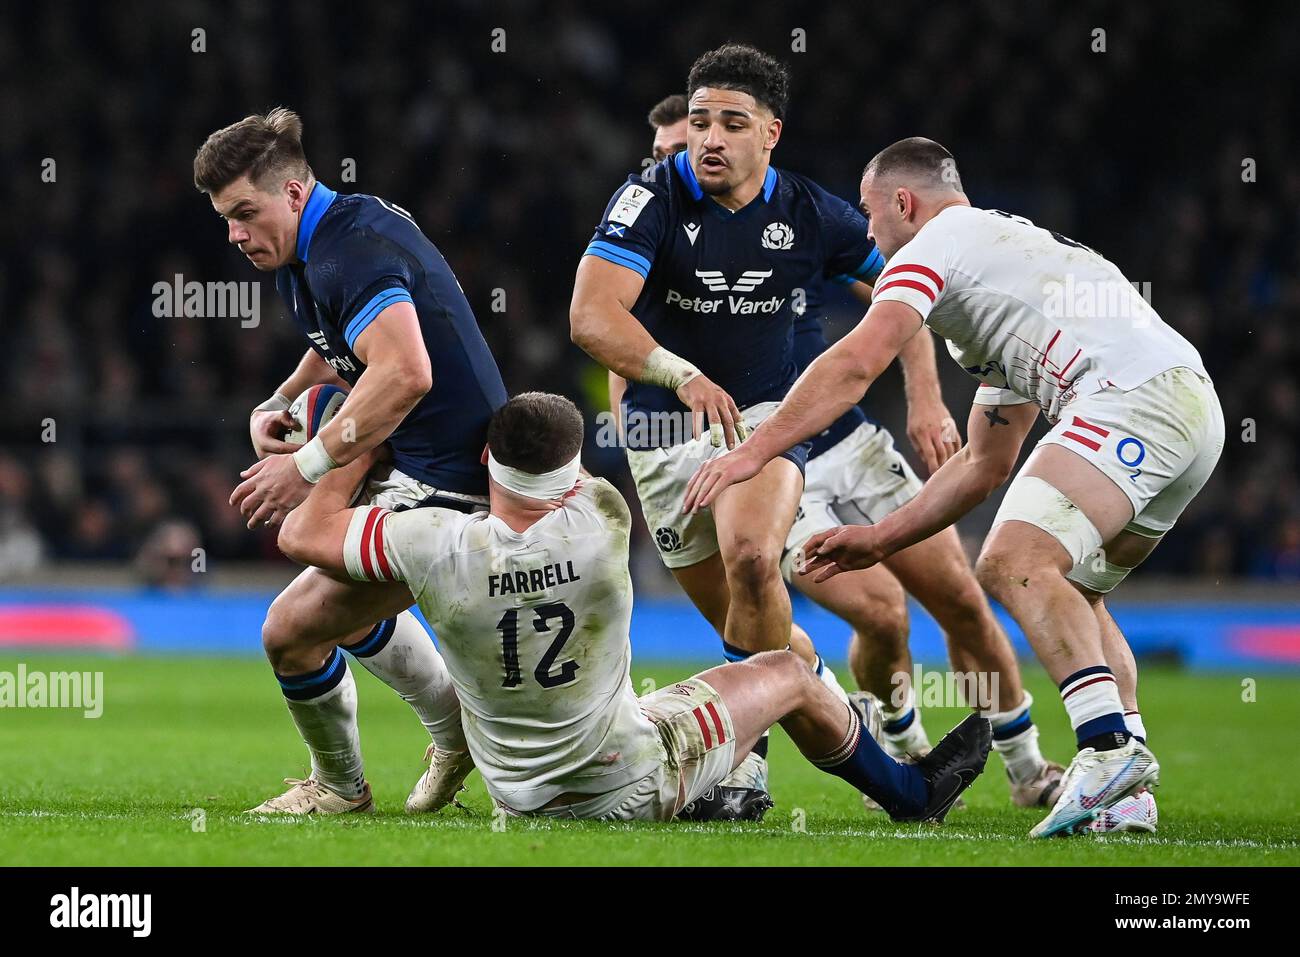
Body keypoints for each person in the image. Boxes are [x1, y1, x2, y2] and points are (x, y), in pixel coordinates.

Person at [685, 137, 1224, 836]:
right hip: (1190, 411)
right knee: (1078, 593)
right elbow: (983, 463)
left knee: (1013, 561)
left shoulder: (936, 244)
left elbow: (855, 362)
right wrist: (879, 538)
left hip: (1133, 399)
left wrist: (753, 452)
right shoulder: (1001, 270)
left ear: (905, 203)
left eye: (873, 216)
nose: (871, 235)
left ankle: (1105, 749)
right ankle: (1124, 794)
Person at [605, 93, 1061, 814]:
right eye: (665, 154)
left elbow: (903, 290)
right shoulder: (645, 231)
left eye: (691, 142)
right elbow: (614, 357)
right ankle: (898, 744)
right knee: (878, 611)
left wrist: (925, 397)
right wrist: (648, 436)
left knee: (960, 596)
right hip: (743, 452)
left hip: (835, 430)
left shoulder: (797, 216)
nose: (680, 162)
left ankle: (1028, 765)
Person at [275, 391, 993, 823]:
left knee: (684, 703)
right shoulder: (602, 518)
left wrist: (354, 444)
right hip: (628, 775)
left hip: (517, 794)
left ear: (488, 467)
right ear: (571, 467)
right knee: (791, 669)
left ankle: (729, 785)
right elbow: (564, 468)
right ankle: (910, 791)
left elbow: (301, 532)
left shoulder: (430, 541)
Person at [194, 107, 508, 814]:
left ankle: (341, 787)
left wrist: (304, 464)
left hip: (448, 491)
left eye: (245, 212)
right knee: (321, 587)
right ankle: (453, 731)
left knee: (288, 629)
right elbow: (342, 336)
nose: (235, 234)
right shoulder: (321, 242)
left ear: (294, 194)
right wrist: (278, 397)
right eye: (225, 218)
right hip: (418, 464)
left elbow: (404, 373)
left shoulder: (350, 248)